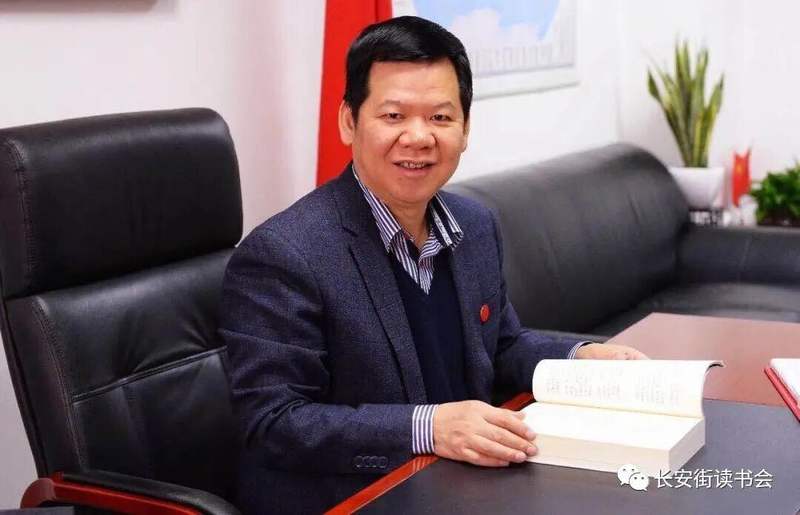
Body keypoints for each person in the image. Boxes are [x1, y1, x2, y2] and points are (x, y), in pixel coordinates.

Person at [220, 15, 647, 514]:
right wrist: (430, 428)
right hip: (354, 497)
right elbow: (275, 422)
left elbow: (501, 346)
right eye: (394, 115)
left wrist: (580, 358)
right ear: (348, 121)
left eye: (441, 118)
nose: (419, 137)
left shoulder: (474, 224)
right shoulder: (284, 254)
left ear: (465, 129)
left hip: (463, 485)